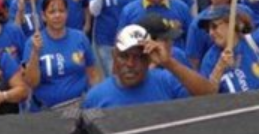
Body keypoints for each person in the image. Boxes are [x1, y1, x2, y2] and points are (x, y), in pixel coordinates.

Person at [81, 24, 215, 110]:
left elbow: (210, 94)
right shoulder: (95, 98)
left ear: (148, 59)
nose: (130, 64)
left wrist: (168, 63)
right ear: (114, 56)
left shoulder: (166, 82)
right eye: (124, 56)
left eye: (138, 57)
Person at [24, 0, 100, 111]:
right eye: (52, 12)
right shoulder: (32, 43)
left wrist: (97, 100)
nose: (57, 15)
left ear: (67, 14)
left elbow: (93, 74)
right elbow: (31, 83)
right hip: (46, 111)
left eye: (61, 10)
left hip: (80, 107)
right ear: (43, 16)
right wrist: (35, 53)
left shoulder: (80, 38)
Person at [199, 6, 259, 94]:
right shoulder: (210, 59)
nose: (211, 33)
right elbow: (207, 95)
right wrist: (220, 67)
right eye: (208, 29)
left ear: (231, 24)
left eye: (214, 26)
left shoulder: (253, 41)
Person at [88, 0, 134, 76]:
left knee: (127, 74)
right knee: (114, 76)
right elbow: (94, 11)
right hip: (106, 41)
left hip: (126, 39)